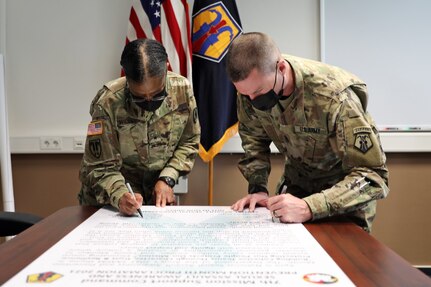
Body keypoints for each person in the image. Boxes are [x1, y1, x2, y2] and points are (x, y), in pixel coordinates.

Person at [226, 32, 389, 232]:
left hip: (343, 199)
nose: (251, 100)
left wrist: (310, 207)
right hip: (296, 190)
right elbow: (254, 140)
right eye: (245, 94)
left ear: (281, 68)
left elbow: (372, 176)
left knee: (341, 260)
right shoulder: (251, 87)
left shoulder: (333, 96)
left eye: (258, 92)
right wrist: (258, 189)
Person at [78, 39, 200, 215]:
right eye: (140, 97)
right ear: (127, 79)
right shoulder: (107, 103)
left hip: (155, 198)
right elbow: (98, 166)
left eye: (157, 95)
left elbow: (189, 140)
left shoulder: (182, 91)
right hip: (108, 203)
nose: (149, 101)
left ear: (166, 68)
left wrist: (168, 178)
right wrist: (120, 195)